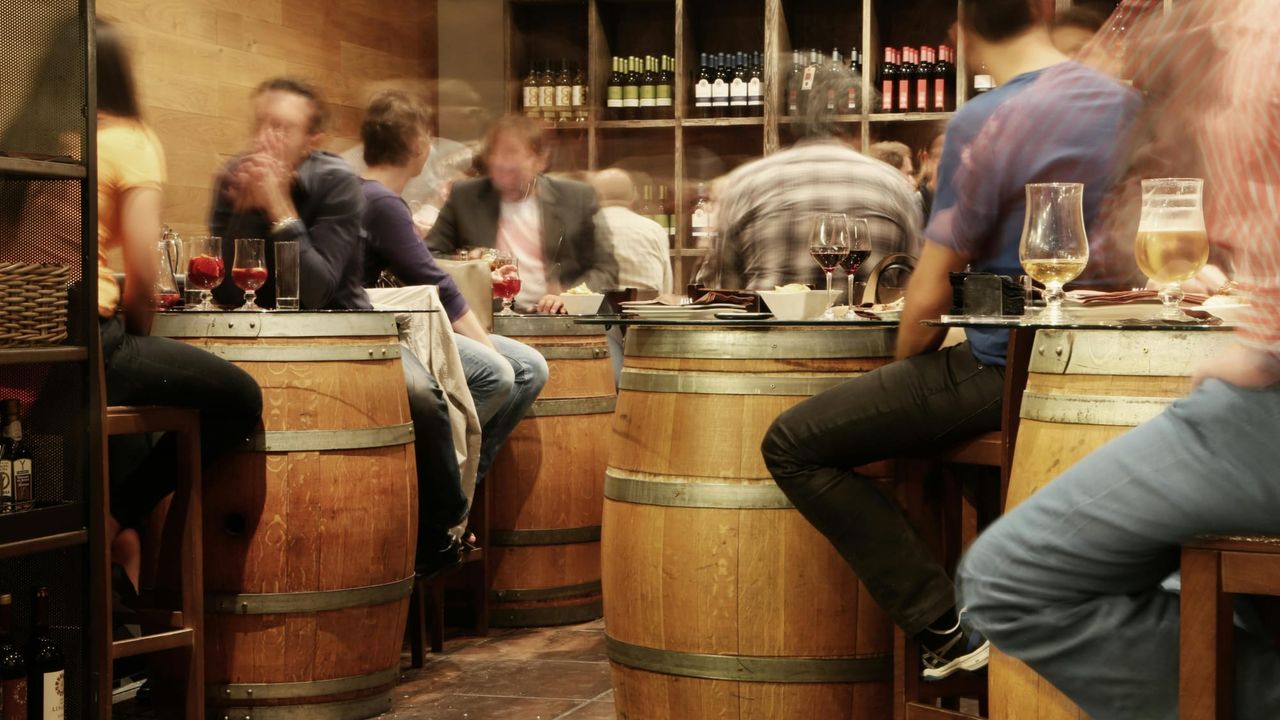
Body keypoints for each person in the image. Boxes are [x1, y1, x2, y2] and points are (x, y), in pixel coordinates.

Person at [760, 0, 1140, 680]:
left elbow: (930, 294)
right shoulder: (1125, 104)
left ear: (960, 36)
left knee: (793, 443)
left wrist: (901, 362)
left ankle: (948, 631)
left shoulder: (986, 119)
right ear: (1040, 13)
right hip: (1117, 369)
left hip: (1009, 370)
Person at [957, 1, 1280, 716]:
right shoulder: (1211, 31)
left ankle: (941, 634)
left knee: (1008, 582)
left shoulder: (1254, 36)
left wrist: (1263, 330)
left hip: (1267, 399)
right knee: (1180, 586)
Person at [209, 77, 473, 576]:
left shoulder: (336, 183)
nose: (267, 138)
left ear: (313, 141)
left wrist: (279, 210)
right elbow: (223, 286)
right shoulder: (235, 176)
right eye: (262, 124)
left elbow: (318, 290)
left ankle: (443, 527)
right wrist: (245, 213)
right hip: (259, 339)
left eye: (283, 129)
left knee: (421, 394)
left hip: (348, 335)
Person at [93, 18, 263, 592]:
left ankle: (119, 572)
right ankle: (114, 519)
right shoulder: (128, 139)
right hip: (92, 335)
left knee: (131, 428)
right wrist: (140, 331)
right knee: (240, 398)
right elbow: (143, 275)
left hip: (29, 340)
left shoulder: (37, 136)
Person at [358, 90, 547, 484]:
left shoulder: (375, 197)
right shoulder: (380, 202)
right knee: (500, 371)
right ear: (416, 144)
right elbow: (434, 280)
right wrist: (486, 343)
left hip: (391, 321)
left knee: (530, 367)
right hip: (379, 331)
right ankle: (439, 489)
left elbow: (424, 266)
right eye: (427, 135)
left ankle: (466, 482)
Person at [705, 71, 922, 292]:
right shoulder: (892, 186)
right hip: (868, 326)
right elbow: (914, 287)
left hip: (770, 326)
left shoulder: (745, 183)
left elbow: (723, 292)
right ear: (856, 124)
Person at [426, 115, 617, 314]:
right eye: (494, 154)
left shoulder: (576, 197)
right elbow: (430, 257)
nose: (501, 162)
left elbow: (606, 269)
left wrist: (570, 297)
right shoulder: (465, 196)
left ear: (540, 160)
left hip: (568, 316)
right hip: (492, 319)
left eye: (511, 154)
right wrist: (468, 263)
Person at [590, 168, 673, 294]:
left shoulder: (583, 228)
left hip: (593, 310)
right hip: (648, 310)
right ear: (634, 196)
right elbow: (666, 290)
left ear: (593, 195)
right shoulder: (655, 229)